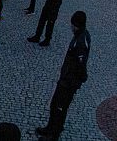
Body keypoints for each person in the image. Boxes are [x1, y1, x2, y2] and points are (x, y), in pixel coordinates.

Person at [35, 11, 90, 140]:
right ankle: (50, 127)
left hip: (69, 81)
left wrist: (79, 79)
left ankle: (54, 134)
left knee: (60, 107)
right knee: (55, 104)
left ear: (76, 24)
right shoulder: (80, 35)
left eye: (72, 24)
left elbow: (81, 65)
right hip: (66, 78)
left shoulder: (81, 41)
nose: (70, 27)